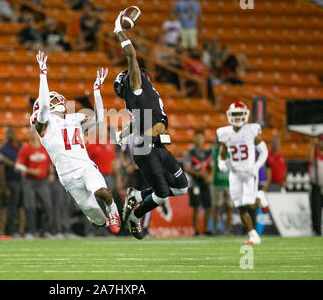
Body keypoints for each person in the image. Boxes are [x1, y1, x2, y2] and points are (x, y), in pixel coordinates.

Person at [113, 12, 188, 239]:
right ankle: (135, 216)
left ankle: (136, 196)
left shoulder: (142, 96)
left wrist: (123, 132)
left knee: (181, 187)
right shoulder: (135, 87)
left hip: (157, 145)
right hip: (147, 148)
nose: (137, 74)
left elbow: (137, 121)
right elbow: (132, 56)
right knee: (162, 194)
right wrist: (119, 30)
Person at [30, 51, 121, 234]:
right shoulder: (42, 125)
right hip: (67, 177)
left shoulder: (72, 119)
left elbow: (99, 119)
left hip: (85, 167)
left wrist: (96, 91)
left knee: (102, 192)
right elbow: (46, 107)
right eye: (51, 98)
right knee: (96, 218)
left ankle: (113, 210)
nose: (55, 100)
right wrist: (43, 73)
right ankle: (98, 218)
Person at [216, 102, 268, 245]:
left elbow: (264, 151)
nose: (237, 117)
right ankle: (253, 236)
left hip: (249, 171)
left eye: (239, 114)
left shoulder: (251, 130)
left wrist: (257, 166)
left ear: (245, 114)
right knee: (240, 205)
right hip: (234, 173)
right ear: (229, 115)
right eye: (235, 114)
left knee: (249, 203)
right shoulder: (224, 133)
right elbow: (222, 153)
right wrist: (221, 162)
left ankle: (259, 196)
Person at [17, 129, 55, 238]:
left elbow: (49, 163)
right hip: (29, 181)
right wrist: (30, 171)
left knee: (48, 206)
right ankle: (31, 231)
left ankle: (46, 230)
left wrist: (51, 174)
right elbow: (18, 166)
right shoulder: (25, 149)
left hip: (42, 181)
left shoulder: (45, 149)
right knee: (30, 207)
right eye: (30, 134)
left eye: (34, 133)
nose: (33, 136)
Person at [183, 130, 213, 236]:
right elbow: (187, 168)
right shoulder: (189, 153)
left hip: (205, 183)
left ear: (204, 139)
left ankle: (206, 228)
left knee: (208, 206)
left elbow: (212, 167)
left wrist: (209, 176)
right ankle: (195, 229)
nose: (199, 140)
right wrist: (200, 174)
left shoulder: (207, 153)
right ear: (194, 139)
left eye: (201, 137)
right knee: (196, 206)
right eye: (197, 137)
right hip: (194, 183)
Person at [0, 126, 22, 237]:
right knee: (10, 208)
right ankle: (11, 231)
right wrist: (4, 186)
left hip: (23, 180)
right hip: (11, 181)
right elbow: (0, 169)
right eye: (8, 133)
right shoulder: (3, 149)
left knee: (22, 207)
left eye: (12, 132)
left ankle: (22, 231)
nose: (11, 134)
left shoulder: (22, 147)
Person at [210, 137, 232, 235]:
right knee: (217, 207)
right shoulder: (213, 150)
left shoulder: (231, 151)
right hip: (217, 183)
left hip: (229, 184)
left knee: (229, 208)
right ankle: (215, 229)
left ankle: (228, 230)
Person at [307, 134, 323, 236]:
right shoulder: (315, 153)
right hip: (316, 185)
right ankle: (316, 231)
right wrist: (312, 145)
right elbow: (308, 159)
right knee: (316, 210)